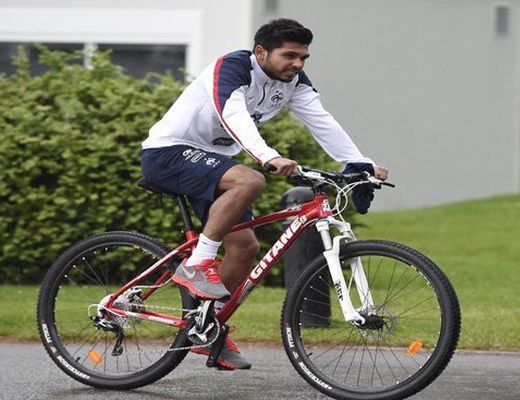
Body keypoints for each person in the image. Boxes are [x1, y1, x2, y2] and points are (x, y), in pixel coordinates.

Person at [141, 18, 388, 370]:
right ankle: (196, 265)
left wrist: (360, 162)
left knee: (245, 248)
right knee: (250, 180)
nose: (298, 64)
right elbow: (232, 114)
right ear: (261, 52)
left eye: (303, 57)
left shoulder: (293, 82)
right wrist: (266, 156)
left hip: (210, 161)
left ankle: (203, 326)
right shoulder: (233, 67)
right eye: (290, 55)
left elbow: (322, 121)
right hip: (167, 152)